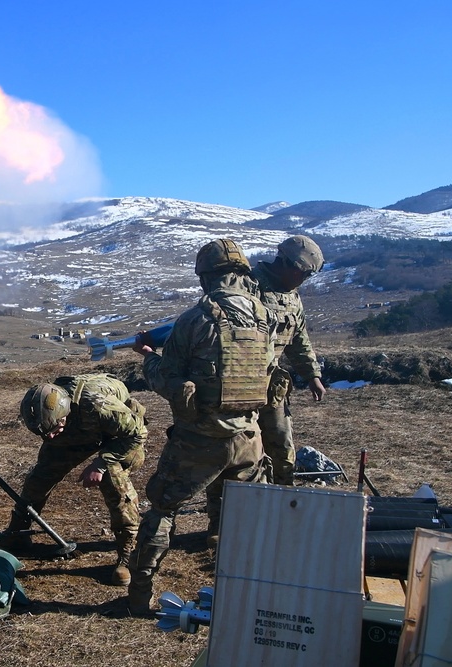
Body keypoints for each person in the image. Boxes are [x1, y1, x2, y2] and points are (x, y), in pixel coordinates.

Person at [126, 238, 274, 616]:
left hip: (201, 440)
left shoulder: (196, 318)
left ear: (205, 277)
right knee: (247, 520)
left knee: (162, 509)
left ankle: (139, 597)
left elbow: (167, 379)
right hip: (250, 438)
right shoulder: (263, 316)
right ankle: (248, 602)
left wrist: (147, 358)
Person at [3, 373, 148, 586]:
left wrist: (100, 464)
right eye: (44, 433)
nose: (49, 437)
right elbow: (51, 439)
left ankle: (129, 553)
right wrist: (53, 431)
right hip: (78, 432)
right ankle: (18, 532)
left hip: (120, 437)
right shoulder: (50, 414)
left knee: (115, 482)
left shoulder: (98, 405)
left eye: (53, 430)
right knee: (40, 478)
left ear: (65, 414)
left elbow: (137, 433)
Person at [251, 234, 326, 485]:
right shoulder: (249, 286)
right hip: (239, 384)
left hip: (271, 387)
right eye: (303, 273)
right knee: (241, 450)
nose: (304, 280)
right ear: (285, 263)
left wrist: (312, 375)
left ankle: (282, 497)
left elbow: (298, 337)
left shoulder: (292, 296)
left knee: (281, 446)